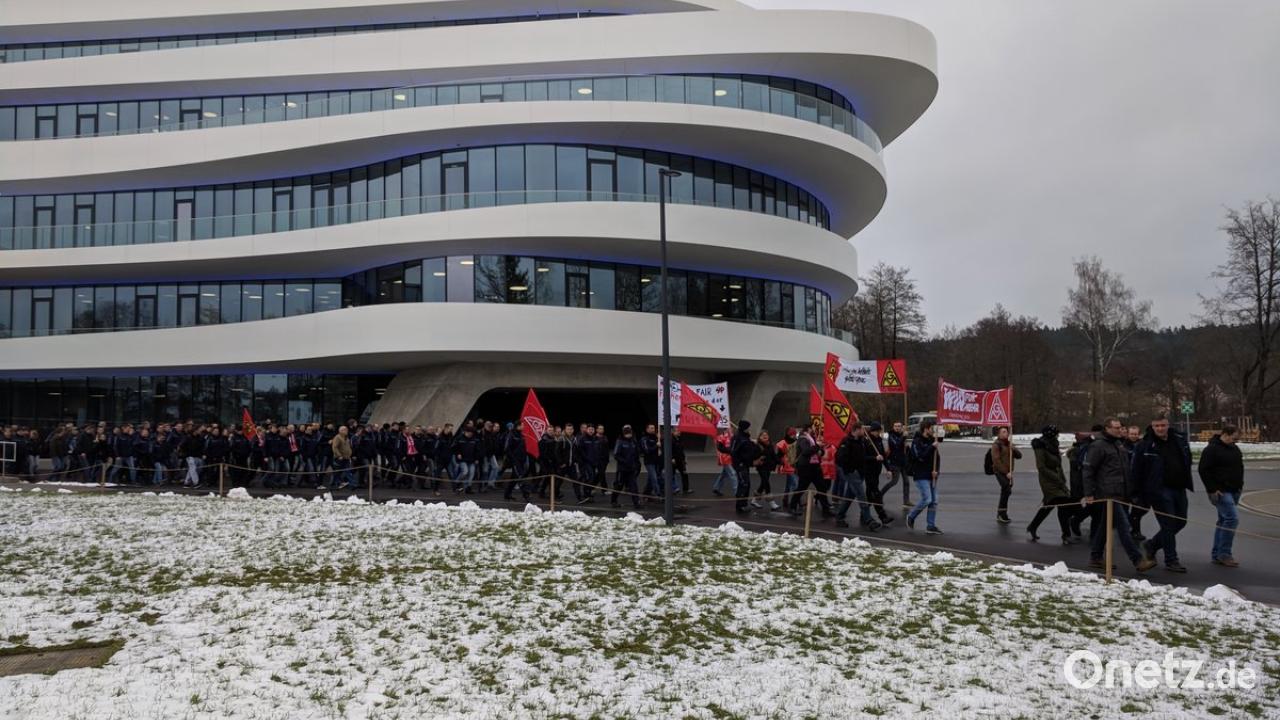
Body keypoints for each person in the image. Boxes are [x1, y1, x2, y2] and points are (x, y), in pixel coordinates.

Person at [1082, 417, 1156, 573]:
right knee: (1124, 526)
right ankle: (1137, 560)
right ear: (1107, 429)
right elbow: (1088, 470)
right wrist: (1088, 493)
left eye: (1120, 427)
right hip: (1107, 494)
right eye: (1115, 428)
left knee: (1105, 526)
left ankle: (1095, 556)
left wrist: (1130, 491)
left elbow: (1125, 470)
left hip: (1121, 492)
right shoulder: (1098, 446)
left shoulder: (1118, 444)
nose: (1119, 430)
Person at [1132, 413, 1194, 573]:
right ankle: (1171, 559)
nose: (1160, 429)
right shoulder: (1145, 445)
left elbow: (1187, 459)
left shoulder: (1179, 440)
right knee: (1168, 525)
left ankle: (1151, 545)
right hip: (1158, 490)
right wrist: (1137, 494)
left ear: (1168, 425)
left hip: (1179, 487)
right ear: (1152, 426)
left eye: (1163, 425)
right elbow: (1136, 471)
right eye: (1156, 426)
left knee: (1180, 522)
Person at [1198, 425, 1244, 567]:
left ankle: (1217, 554)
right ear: (1226, 434)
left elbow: (1239, 467)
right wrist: (1212, 489)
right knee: (1232, 519)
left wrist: (1240, 484)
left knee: (1223, 521)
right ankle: (1224, 554)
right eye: (1234, 438)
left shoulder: (1234, 449)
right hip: (1220, 491)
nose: (1235, 441)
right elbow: (1203, 470)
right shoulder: (1211, 449)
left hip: (1235, 489)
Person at [1027, 426, 1074, 544]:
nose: (1058, 436)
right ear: (1051, 434)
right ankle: (1066, 534)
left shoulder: (1053, 444)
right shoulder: (1040, 446)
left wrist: (1062, 478)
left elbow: (1058, 464)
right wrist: (1057, 478)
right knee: (1063, 504)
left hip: (1057, 479)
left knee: (1049, 505)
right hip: (1048, 481)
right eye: (1056, 434)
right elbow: (1041, 467)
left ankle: (1033, 526)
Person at [835, 424, 879, 530]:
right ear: (856, 430)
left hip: (860, 472)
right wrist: (849, 469)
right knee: (861, 495)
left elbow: (863, 456)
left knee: (849, 496)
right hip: (852, 472)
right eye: (862, 429)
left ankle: (839, 516)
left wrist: (874, 458)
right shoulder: (846, 441)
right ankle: (869, 520)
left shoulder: (861, 441)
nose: (864, 431)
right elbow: (839, 458)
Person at [906, 419, 943, 535]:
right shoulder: (917, 441)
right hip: (920, 474)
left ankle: (930, 526)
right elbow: (920, 457)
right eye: (932, 428)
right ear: (926, 429)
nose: (933, 431)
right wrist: (931, 447)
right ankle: (911, 516)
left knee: (934, 501)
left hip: (931, 475)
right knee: (927, 499)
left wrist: (936, 471)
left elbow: (937, 458)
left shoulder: (932, 440)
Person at [791, 419, 833, 519]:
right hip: (805, 467)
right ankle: (792, 506)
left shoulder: (813, 438)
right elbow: (806, 451)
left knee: (822, 488)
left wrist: (821, 451)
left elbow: (818, 450)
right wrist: (817, 446)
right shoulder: (803, 439)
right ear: (809, 428)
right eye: (814, 427)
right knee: (801, 487)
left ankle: (826, 510)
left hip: (815, 467)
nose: (815, 429)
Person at [990, 426, 1022, 524]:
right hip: (1000, 471)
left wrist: (1013, 448)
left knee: (1006, 491)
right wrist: (1005, 472)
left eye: (1006, 432)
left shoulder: (1008, 444)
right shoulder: (996, 445)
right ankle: (1001, 514)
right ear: (999, 434)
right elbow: (996, 460)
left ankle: (1002, 513)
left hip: (1009, 472)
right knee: (1006, 489)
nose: (1006, 433)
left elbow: (1019, 456)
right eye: (1003, 432)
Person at [863, 422, 893, 526]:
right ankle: (883, 517)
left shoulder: (879, 440)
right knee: (876, 494)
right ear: (872, 431)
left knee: (869, 495)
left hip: (876, 471)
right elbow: (863, 457)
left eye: (879, 431)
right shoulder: (866, 441)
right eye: (877, 431)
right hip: (868, 471)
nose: (879, 433)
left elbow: (883, 455)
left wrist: (888, 469)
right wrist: (874, 458)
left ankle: (864, 515)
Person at [1124, 425, 1149, 542]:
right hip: (1128, 481)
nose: (1134, 436)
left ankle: (1131, 524)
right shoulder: (1123, 446)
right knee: (1134, 507)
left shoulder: (1143, 445)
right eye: (1131, 434)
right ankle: (1134, 530)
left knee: (1143, 507)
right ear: (1128, 434)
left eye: (1135, 434)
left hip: (1141, 480)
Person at [730, 420, 760, 514]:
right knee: (743, 484)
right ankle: (740, 505)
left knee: (746, 484)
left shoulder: (744, 438)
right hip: (741, 464)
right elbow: (735, 452)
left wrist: (752, 443)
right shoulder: (739, 438)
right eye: (748, 428)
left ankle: (743, 504)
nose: (749, 429)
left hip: (745, 464)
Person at [611, 425, 642, 509]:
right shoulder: (620, 441)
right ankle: (613, 500)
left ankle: (636, 503)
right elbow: (616, 455)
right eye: (627, 433)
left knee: (634, 486)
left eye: (630, 433)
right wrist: (625, 462)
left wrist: (637, 464)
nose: (629, 435)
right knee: (619, 485)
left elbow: (636, 454)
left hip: (631, 469)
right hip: (622, 469)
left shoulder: (633, 442)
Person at [884, 420, 910, 510]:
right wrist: (903, 437)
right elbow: (896, 445)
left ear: (902, 427)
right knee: (894, 482)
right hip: (894, 462)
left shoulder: (902, 435)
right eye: (896, 426)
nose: (897, 428)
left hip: (903, 462)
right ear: (893, 427)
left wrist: (907, 447)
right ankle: (880, 495)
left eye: (899, 426)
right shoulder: (891, 436)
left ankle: (906, 501)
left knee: (906, 482)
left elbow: (904, 448)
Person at [752, 430, 779, 511]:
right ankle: (771, 502)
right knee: (766, 482)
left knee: (763, 483)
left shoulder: (770, 445)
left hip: (769, 467)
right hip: (761, 467)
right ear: (759, 437)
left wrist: (779, 462)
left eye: (766, 435)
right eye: (763, 435)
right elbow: (754, 455)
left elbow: (773, 455)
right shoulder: (757, 446)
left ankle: (754, 500)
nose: (765, 436)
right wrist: (760, 457)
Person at [712, 427, 736, 496]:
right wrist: (729, 451)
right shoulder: (721, 437)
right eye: (730, 428)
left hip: (730, 458)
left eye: (731, 428)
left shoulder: (732, 437)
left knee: (724, 474)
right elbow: (720, 447)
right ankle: (737, 491)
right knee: (733, 474)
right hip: (725, 458)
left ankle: (716, 487)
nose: (731, 430)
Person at [640, 424, 661, 497]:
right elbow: (647, 450)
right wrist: (656, 446)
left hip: (656, 461)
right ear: (647, 429)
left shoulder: (656, 438)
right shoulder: (644, 439)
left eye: (654, 428)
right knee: (654, 478)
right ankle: (658, 494)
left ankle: (646, 492)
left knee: (651, 478)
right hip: (649, 462)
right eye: (651, 428)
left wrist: (660, 439)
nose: (653, 429)